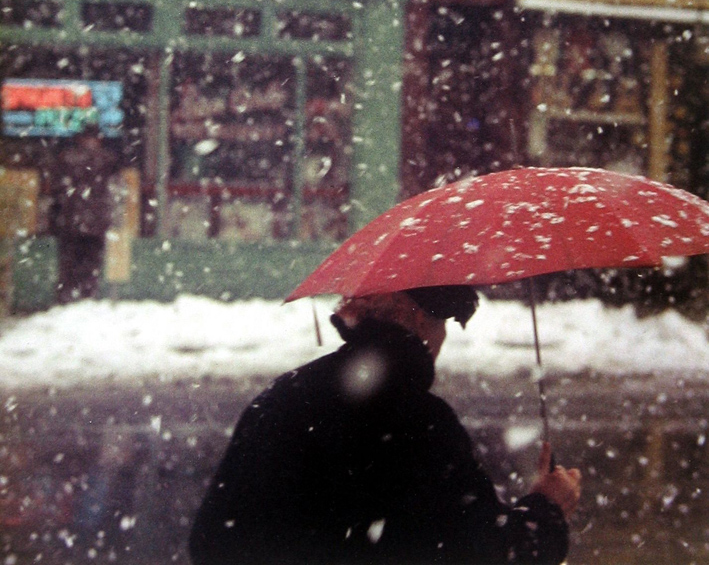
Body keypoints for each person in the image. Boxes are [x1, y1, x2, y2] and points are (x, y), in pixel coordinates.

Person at [189, 285, 581, 565]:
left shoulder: (286, 395)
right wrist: (545, 510)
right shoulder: (419, 421)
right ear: (412, 314)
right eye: (441, 319)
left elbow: (211, 540)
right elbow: (482, 549)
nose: (443, 337)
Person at [51, 124, 119, 303]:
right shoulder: (107, 159)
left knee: (70, 265)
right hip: (94, 222)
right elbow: (114, 188)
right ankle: (86, 296)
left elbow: (57, 191)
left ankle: (69, 297)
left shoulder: (66, 158)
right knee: (90, 265)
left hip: (72, 221)